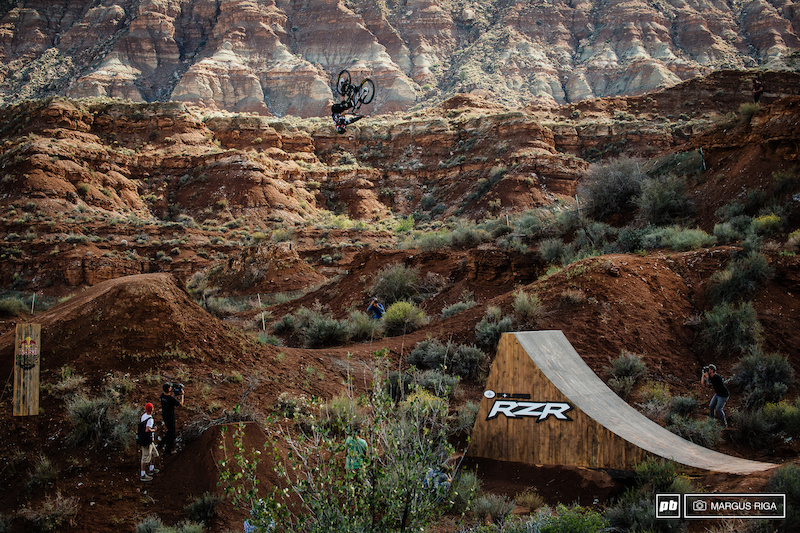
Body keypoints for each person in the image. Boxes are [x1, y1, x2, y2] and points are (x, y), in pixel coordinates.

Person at [159, 382, 185, 454]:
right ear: (168, 389)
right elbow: (181, 404)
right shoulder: (170, 399)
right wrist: (182, 395)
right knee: (172, 433)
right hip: (170, 417)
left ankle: (161, 444)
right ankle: (168, 450)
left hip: (165, 416)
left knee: (169, 431)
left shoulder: (162, 396)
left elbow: (170, 397)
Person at [139, 402, 159, 481]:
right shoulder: (150, 419)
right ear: (151, 410)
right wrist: (154, 429)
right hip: (147, 441)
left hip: (147, 440)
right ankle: (143, 475)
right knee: (145, 457)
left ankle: (151, 469)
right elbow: (147, 429)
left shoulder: (143, 416)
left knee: (154, 454)